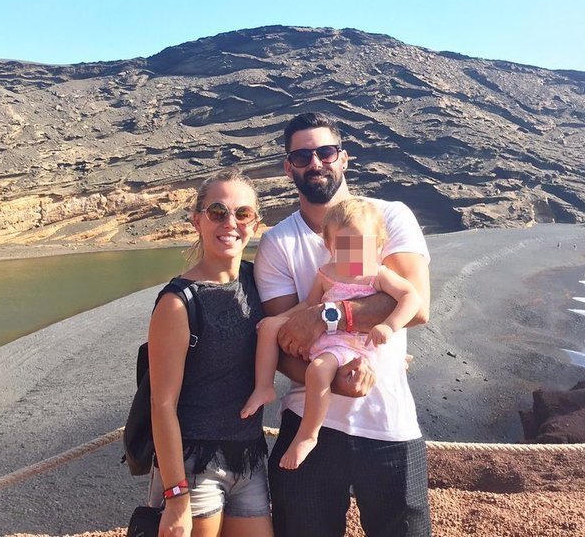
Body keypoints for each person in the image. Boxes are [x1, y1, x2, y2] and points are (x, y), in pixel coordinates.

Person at [254, 112, 432, 537]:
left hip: (388, 420)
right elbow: (286, 340)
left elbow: (417, 304)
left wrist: (327, 315)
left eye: (325, 152)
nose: (315, 163)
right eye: (301, 156)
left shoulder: (389, 217)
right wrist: (334, 382)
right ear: (288, 167)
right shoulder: (278, 243)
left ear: (344, 158)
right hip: (308, 419)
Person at [240, 197, 422, 471]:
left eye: (362, 246)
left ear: (378, 245)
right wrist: (279, 320)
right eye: (344, 247)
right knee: (268, 328)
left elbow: (411, 297)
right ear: (330, 246)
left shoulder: (378, 275)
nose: (354, 255)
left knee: (318, 370)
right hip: (326, 339)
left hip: (352, 345)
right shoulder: (327, 273)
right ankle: (263, 387)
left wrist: (390, 325)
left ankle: (308, 435)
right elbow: (309, 307)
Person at [147, 168, 274, 537]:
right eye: (218, 212)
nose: (230, 222)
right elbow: (162, 405)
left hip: (249, 456)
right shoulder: (178, 302)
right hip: (192, 464)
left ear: (255, 223)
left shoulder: (259, 282)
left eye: (242, 213)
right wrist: (175, 498)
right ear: (197, 220)